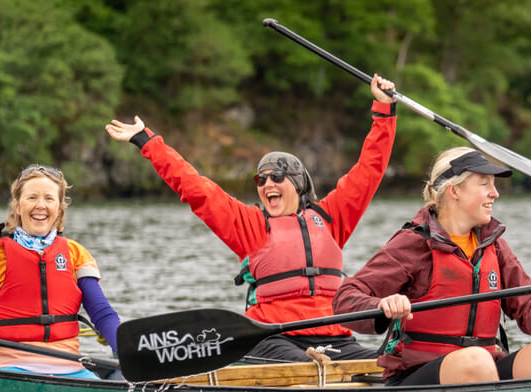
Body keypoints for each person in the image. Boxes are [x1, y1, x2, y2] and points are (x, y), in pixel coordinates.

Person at [105, 75, 397, 363]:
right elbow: (195, 187)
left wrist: (384, 109)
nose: (267, 184)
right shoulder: (250, 225)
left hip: (335, 338)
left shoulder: (332, 217)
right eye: (261, 178)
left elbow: (369, 170)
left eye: (277, 177)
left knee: (384, 365)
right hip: (273, 337)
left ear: (297, 184)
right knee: (303, 366)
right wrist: (147, 141)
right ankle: (307, 371)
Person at [332, 146, 531, 386]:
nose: (495, 193)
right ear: (454, 190)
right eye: (484, 184)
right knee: (475, 361)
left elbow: (530, 319)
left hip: (483, 366)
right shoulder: (413, 244)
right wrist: (381, 304)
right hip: (418, 374)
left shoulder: (495, 246)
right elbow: (344, 300)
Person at [0, 165, 121, 378]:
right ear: (17, 205)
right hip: (6, 365)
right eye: (32, 197)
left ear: (60, 207)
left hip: (70, 367)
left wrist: (124, 350)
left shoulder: (75, 253)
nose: (40, 206)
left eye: (49, 199)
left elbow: (102, 314)